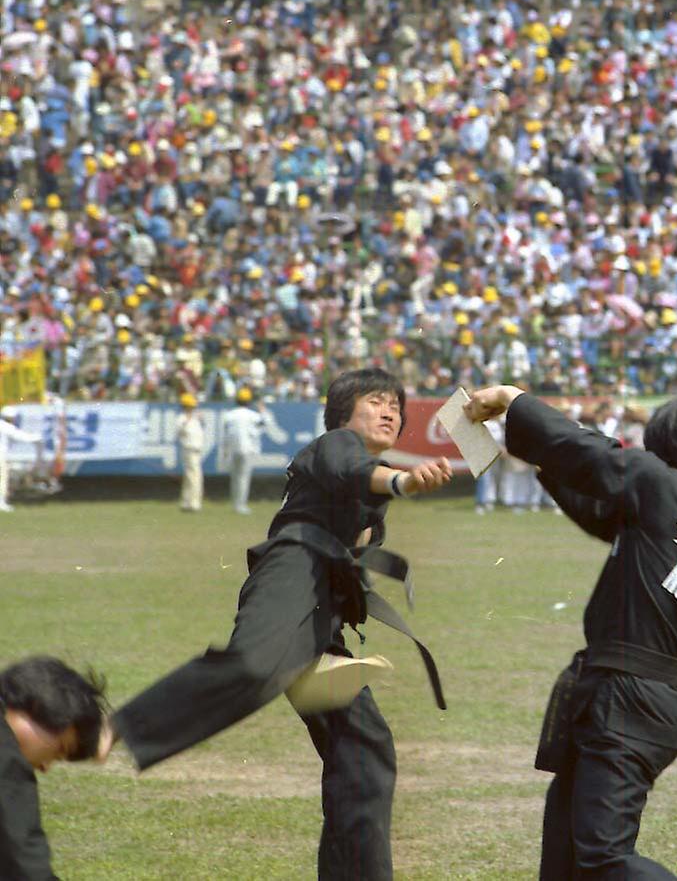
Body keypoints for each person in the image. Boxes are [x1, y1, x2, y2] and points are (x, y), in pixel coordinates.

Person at [99, 368, 453, 879]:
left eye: (396, 405)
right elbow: (353, 468)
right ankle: (114, 728)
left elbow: (363, 490)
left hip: (320, 621)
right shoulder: (333, 444)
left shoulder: (365, 482)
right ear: (342, 414)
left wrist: (397, 486)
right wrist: (400, 479)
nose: (390, 410)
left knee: (364, 750)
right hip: (289, 575)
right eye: (376, 401)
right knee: (252, 665)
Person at [465, 384, 677, 879]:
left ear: (668, 443)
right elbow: (599, 509)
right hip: (648, 697)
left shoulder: (660, 482)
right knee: (568, 850)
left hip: (627, 698)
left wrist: (513, 400)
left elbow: (591, 452)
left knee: (602, 857)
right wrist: (534, 458)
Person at [0, 656, 108, 879]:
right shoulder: (6, 757)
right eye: (59, 750)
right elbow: (25, 866)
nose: (45, 767)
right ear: (34, 709)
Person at [220, 386, 266, 514]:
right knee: (243, 477)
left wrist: (224, 450)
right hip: (248, 449)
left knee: (234, 477)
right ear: (249, 401)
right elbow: (263, 423)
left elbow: (225, 434)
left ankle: (235, 503)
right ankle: (241, 505)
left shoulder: (229, 415)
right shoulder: (253, 415)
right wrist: (262, 409)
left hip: (233, 448)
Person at [0, 407, 44, 512]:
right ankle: (1, 502)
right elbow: (22, 437)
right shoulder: (7, 426)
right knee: (2, 479)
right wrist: (37, 438)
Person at [175, 392, 204, 512]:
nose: (192, 408)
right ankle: (194, 503)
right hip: (189, 450)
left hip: (196, 450)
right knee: (195, 477)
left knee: (189, 477)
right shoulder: (181, 418)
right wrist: (186, 421)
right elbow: (179, 432)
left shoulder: (195, 418)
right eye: (190, 406)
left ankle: (186, 502)